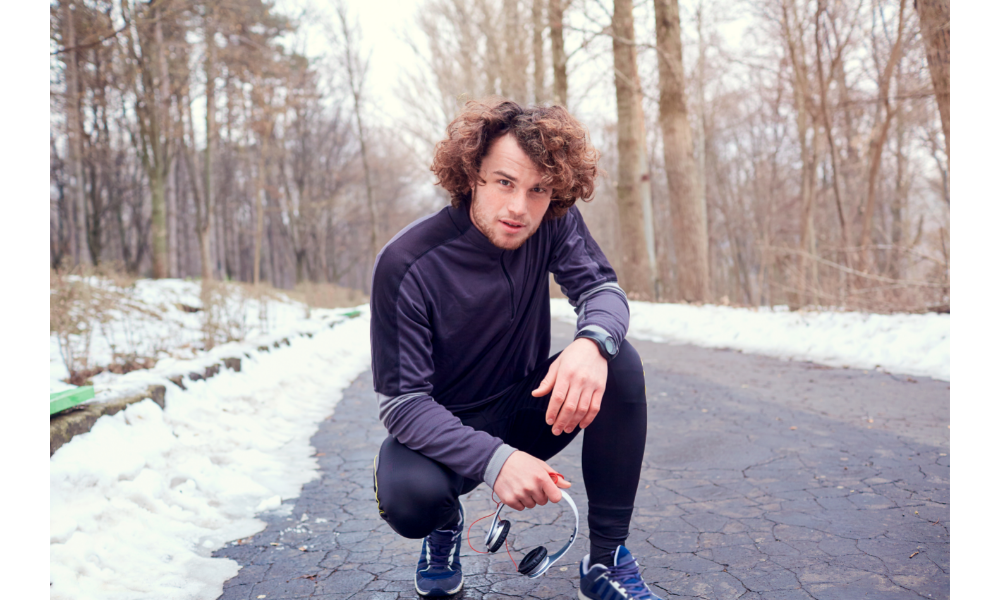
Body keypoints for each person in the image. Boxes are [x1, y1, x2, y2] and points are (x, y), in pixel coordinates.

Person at [370, 97, 662, 600]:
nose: (519, 208)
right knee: (409, 499)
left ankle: (606, 562)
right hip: (447, 428)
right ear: (472, 174)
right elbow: (403, 404)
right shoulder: (406, 262)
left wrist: (591, 344)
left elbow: (602, 291)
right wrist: (497, 461)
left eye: (538, 190)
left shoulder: (552, 221)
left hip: (529, 406)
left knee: (619, 361)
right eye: (504, 182)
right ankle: (445, 525)